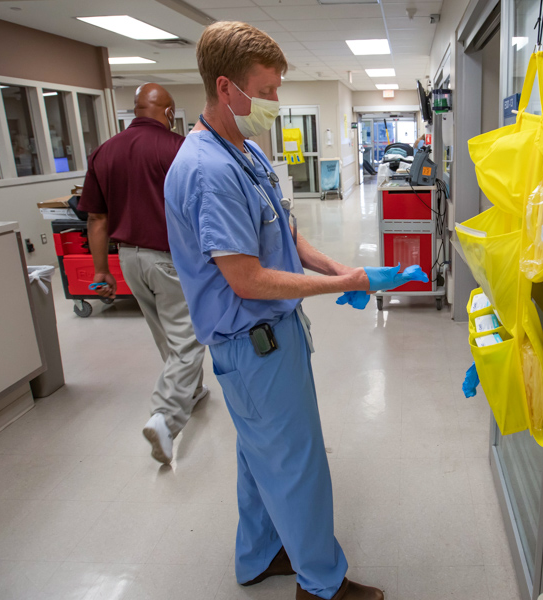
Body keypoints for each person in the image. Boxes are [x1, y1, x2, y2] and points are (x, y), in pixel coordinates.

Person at [163, 21, 426, 600]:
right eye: (268, 90)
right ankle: (323, 584)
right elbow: (248, 278)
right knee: (298, 464)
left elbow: (285, 230)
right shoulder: (208, 170)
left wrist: (338, 268)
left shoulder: (247, 152)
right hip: (252, 343)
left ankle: (259, 554)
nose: (276, 103)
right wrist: (341, 285)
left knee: (261, 454)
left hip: (271, 337)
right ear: (227, 87)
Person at [79, 83, 208, 465]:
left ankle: (191, 391)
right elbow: (200, 209)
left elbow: (96, 218)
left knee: (166, 334)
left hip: (129, 259)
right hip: (171, 259)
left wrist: (102, 270)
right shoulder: (179, 149)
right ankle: (166, 419)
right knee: (188, 337)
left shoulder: (104, 152)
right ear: (169, 112)